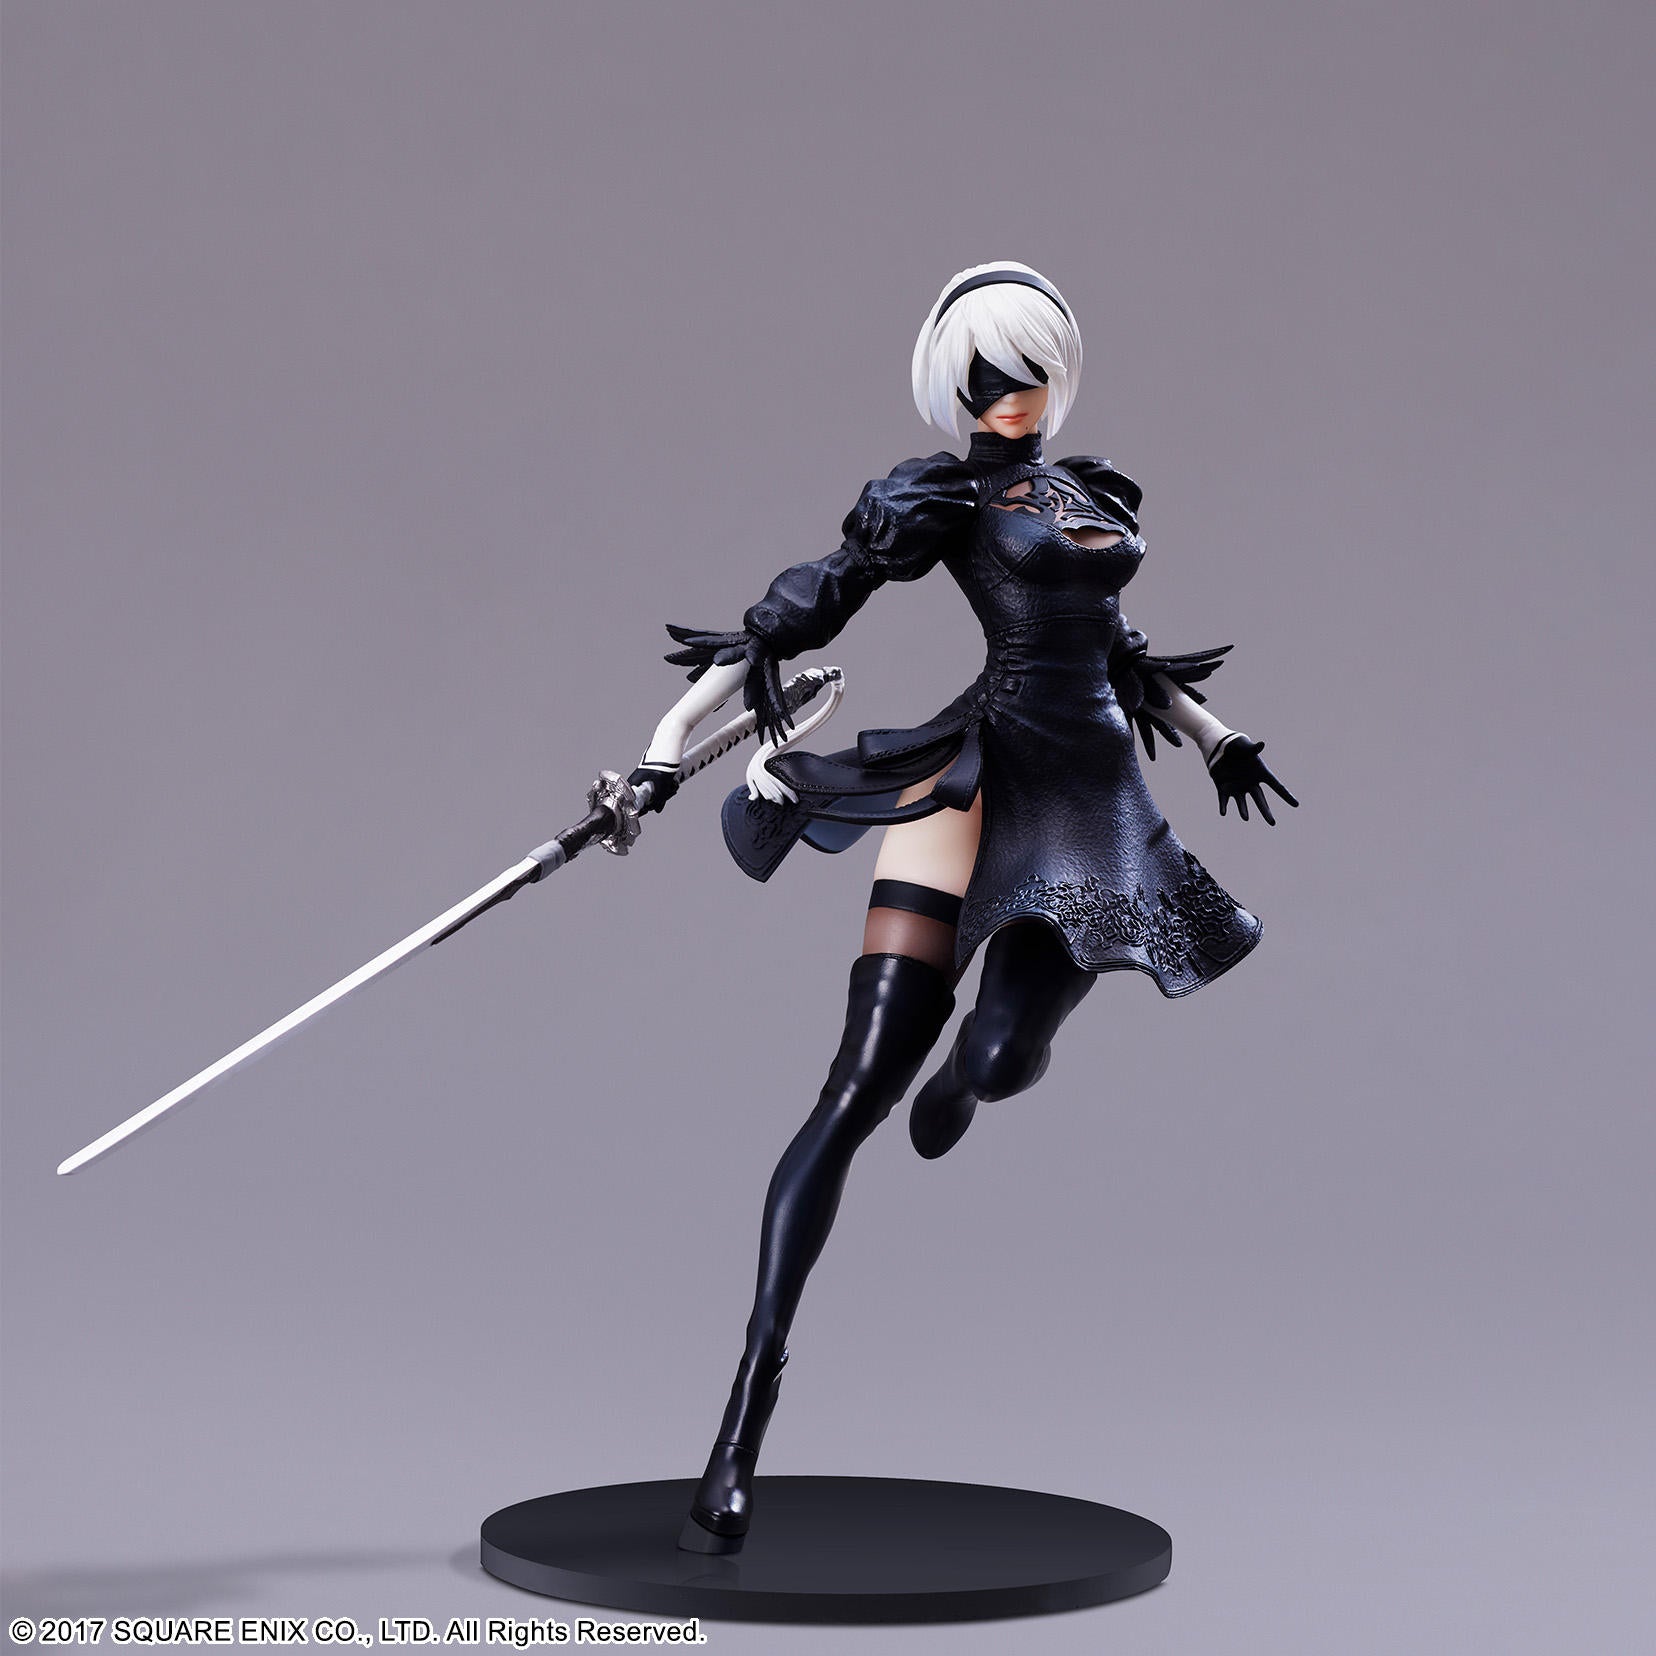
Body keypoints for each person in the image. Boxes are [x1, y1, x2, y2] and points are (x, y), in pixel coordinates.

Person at [625, 261, 1297, 1554]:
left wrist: (1216, 738)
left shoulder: (1088, 492)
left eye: (1029, 373)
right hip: (976, 775)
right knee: (851, 1091)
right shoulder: (940, 501)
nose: (1012, 398)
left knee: (996, 1055)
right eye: (987, 380)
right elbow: (808, 605)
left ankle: (966, 1084)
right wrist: (665, 746)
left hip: (1092, 810)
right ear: (955, 387)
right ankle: (741, 1424)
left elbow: (1116, 648)